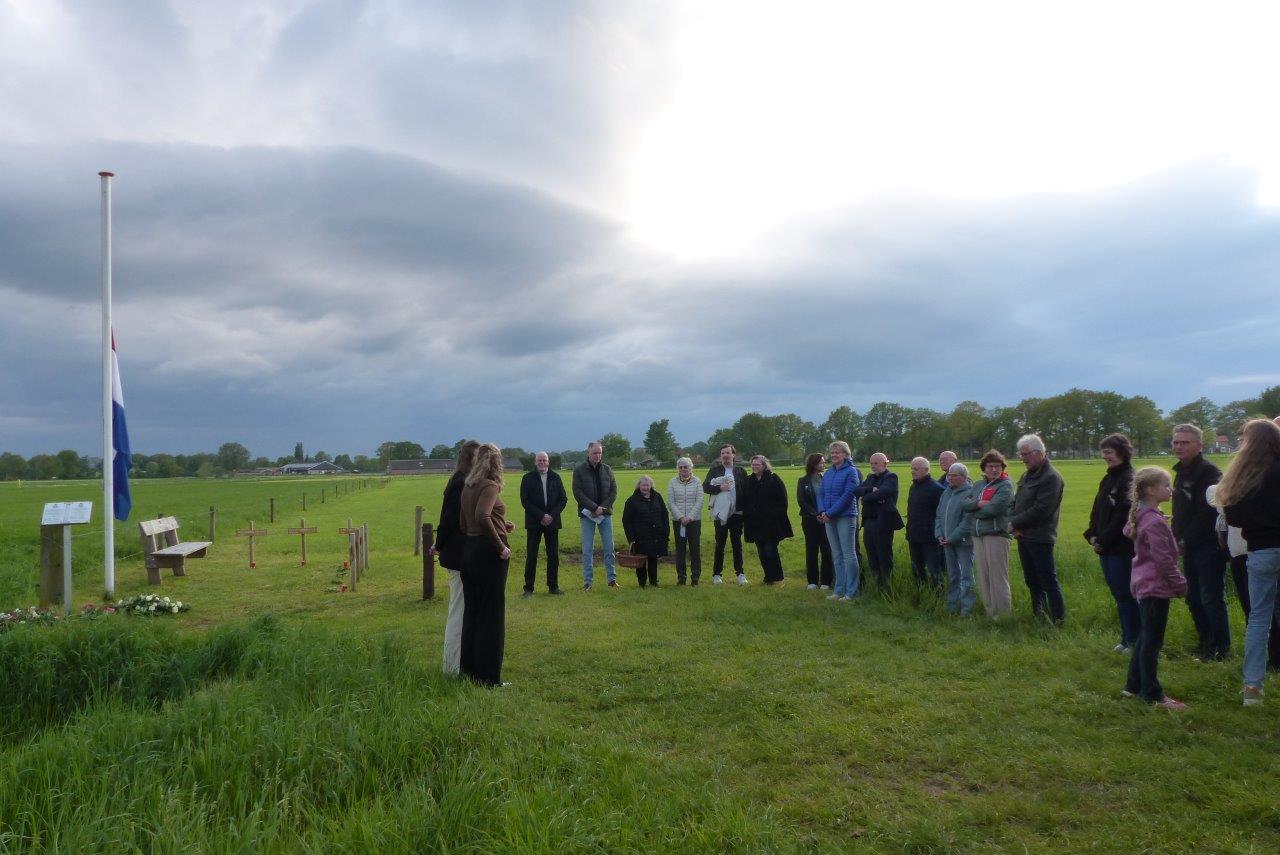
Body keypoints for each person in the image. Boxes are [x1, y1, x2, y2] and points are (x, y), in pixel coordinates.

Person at [1219, 418, 1280, 706]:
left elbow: (1234, 520)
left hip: (1261, 551)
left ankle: (1252, 688)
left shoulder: (1242, 476)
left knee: (1259, 618)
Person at [1123, 466, 1189, 710]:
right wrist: (1180, 584)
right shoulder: (1154, 522)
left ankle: (1132, 686)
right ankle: (1152, 693)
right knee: (1152, 642)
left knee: (1144, 637)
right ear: (1150, 490)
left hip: (1144, 585)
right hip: (1155, 587)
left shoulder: (1143, 516)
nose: (1171, 490)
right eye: (1166, 486)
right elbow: (1164, 561)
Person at [1171, 423, 1230, 661]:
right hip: (1188, 545)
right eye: (1176, 442)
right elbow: (1181, 511)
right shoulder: (1181, 472)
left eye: (1185, 442)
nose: (1179, 447)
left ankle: (1219, 649)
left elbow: (1206, 513)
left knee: (1211, 597)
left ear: (1199, 445)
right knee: (1193, 597)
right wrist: (1176, 537)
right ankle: (1204, 642)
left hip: (1208, 545)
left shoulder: (1209, 473)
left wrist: (1183, 540)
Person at [458, 443, 515, 687]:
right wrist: (500, 546)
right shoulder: (490, 486)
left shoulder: (468, 486)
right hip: (488, 554)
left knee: (472, 614)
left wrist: (502, 524)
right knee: (492, 616)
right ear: (495, 463)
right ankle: (490, 678)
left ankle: (469, 672)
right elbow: (482, 516)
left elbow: (466, 523)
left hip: (469, 551)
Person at [1084, 434, 1139, 652]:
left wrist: (1103, 540)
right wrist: (1091, 534)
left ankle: (1135, 640)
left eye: (1110, 451)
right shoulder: (1108, 479)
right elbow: (1098, 510)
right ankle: (1126, 638)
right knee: (1118, 594)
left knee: (1126, 594)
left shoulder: (1129, 479)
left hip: (1121, 548)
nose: (1106, 456)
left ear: (1122, 452)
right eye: (1104, 451)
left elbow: (1123, 516)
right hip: (1105, 547)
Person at [431, 439, 479, 676]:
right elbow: (448, 520)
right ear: (472, 459)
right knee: (458, 610)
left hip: (460, 553)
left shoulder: (461, 480)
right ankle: (451, 668)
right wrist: (438, 545)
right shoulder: (461, 483)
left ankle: (461, 663)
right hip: (458, 555)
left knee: (462, 609)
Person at [1010, 434, 1066, 624]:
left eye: (1026, 454)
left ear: (1039, 453)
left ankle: (1058, 619)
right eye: (1021, 455)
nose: (1023, 458)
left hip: (1040, 537)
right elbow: (1016, 502)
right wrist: (1015, 525)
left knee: (1047, 580)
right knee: (1032, 580)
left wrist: (1014, 523)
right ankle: (1040, 615)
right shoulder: (1027, 474)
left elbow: (1042, 510)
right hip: (1023, 536)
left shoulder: (1051, 477)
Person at [964, 450, 1014, 619]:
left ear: (1002, 468)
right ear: (984, 468)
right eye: (990, 466)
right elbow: (965, 504)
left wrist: (975, 509)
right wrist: (979, 503)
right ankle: (990, 613)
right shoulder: (978, 485)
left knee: (997, 577)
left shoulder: (1005, 485)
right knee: (983, 575)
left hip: (996, 535)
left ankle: (1003, 616)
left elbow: (995, 508)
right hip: (978, 535)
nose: (994, 470)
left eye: (997, 466)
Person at [817, 440, 862, 601]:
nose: (834, 455)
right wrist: (823, 511)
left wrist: (831, 513)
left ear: (846, 454)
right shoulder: (829, 472)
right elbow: (820, 493)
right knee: (837, 555)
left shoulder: (851, 472)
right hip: (828, 517)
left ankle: (851, 591)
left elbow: (848, 495)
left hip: (845, 517)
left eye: (838, 452)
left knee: (849, 554)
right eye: (832, 452)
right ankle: (838, 590)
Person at [519, 451, 567, 597]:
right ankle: (528, 588)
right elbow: (525, 501)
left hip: (552, 523)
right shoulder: (527, 478)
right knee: (532, 555)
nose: (541, 462)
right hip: (534, 522)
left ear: (548, 462)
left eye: (544, 460)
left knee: (553, 555)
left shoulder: (556, 478)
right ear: (535, 462)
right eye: (539, 460)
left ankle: (553, 586)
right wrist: (541, 516)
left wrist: (551, 516)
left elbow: (563, 499)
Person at [572, 441, 618, 590]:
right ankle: (588, 582)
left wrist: (602, 508)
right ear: (588, 453)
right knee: (587, 549)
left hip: (605, 515)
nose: (597, 455)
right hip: (587, 515)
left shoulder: (607, 470)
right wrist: (593, 507)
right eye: (594, 453)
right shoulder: (579, 471)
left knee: (609, 548)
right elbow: (578, 493)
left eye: (599, 453)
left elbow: (613, 491)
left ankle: (612, 580)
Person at [740, 454, 793, 586]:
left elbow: (783, 501)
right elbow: (744, 500)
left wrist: (774, 516)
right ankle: (768, 577)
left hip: (771, 523)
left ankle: (778, 577)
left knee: (770, 550)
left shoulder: (774, 479)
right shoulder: (748, 481)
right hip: (755, 524)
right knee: (761, 551)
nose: (754, 467)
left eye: (757, 464)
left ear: (764, 466)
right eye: (753, 464)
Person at [704, 444, 749, 585]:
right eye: (723, 453)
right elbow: (705, 487)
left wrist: (744, 510)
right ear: (720, 456)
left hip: (737, 514)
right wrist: (719, 488)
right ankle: (717, 574)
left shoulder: (741, 471)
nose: (725, 455)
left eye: (728, 453)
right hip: (720, 514)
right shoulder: (714, 471)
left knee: (737, 544)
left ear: (733, 455)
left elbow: (746, 491)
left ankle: (740, 574)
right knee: (720, 544)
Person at [935, 462, 976, 615]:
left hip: (963, 543)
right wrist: (939, 534)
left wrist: (952, 538)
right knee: (953, 576)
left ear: (964, 477)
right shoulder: (947, 492)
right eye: (949, 475)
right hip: (946, 542)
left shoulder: (970, 493)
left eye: (954, 475)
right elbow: (939, 515)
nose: (949, 478)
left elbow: (967, 521)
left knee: (966, 577)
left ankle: (966, 610)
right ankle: (952, 608)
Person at [855, 452, 899, 589]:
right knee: (872, 554)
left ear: (885, 463)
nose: (873, 466)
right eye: (871, 463)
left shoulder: (891, 477)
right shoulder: (870, 478)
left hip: (884, 523)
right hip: (869, 522)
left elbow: (883, 492)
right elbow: (856, 490)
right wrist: (870, 489)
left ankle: (886, 587)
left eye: (876, 463)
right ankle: (875, 585)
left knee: (884, 556)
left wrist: (866, 497)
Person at [622, 475, 670, 587]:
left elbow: (664, 514)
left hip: (655, 535)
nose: (646, 488)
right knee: (641, 561)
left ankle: (654, 583)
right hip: (640, 537)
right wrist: (631, 538)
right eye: (643, 485)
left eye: (648, 485)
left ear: (651, 486)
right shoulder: (632, 501)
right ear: (639, 486)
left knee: (653, 559)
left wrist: (665, 531)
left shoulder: (657, 497)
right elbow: (626, 520)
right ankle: (642, 584)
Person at [797, 452, 834, 590]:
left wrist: (825, 514)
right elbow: (802, 500)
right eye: (821, 462)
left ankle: (826, 581)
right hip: (809, 520)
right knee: (811, 549)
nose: (824, 464)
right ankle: (812, 581)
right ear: (813, 464)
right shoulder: (803, 481)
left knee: (826, 550)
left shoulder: (826, 479)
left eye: (824, 462)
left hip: (826, 519)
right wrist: (815, 514)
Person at [906, 456, 945, 586]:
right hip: (913, 536)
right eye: (912, 468)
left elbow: (941, 515)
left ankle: (937, 597)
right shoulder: (913, 487)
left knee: (934, 571)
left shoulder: (936, 489)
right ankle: (919, 595)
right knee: (916, 570)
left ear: (926, 470)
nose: (913, 471)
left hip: (930, 538)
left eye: (916, 469)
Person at [667, 457, 703, 585]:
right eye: (680, 467)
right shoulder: (672, 482)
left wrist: (690, 517)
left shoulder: (697, 482)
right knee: (680, 550)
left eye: (685, 467)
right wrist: (681, 517)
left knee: (695, 549)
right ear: (678, 468)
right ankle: (681, 577)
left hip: (694, 521)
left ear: (690, 468)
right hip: (678, 522)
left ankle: (695, 577)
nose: (683, 469)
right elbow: (670, 502)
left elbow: (699, 501)